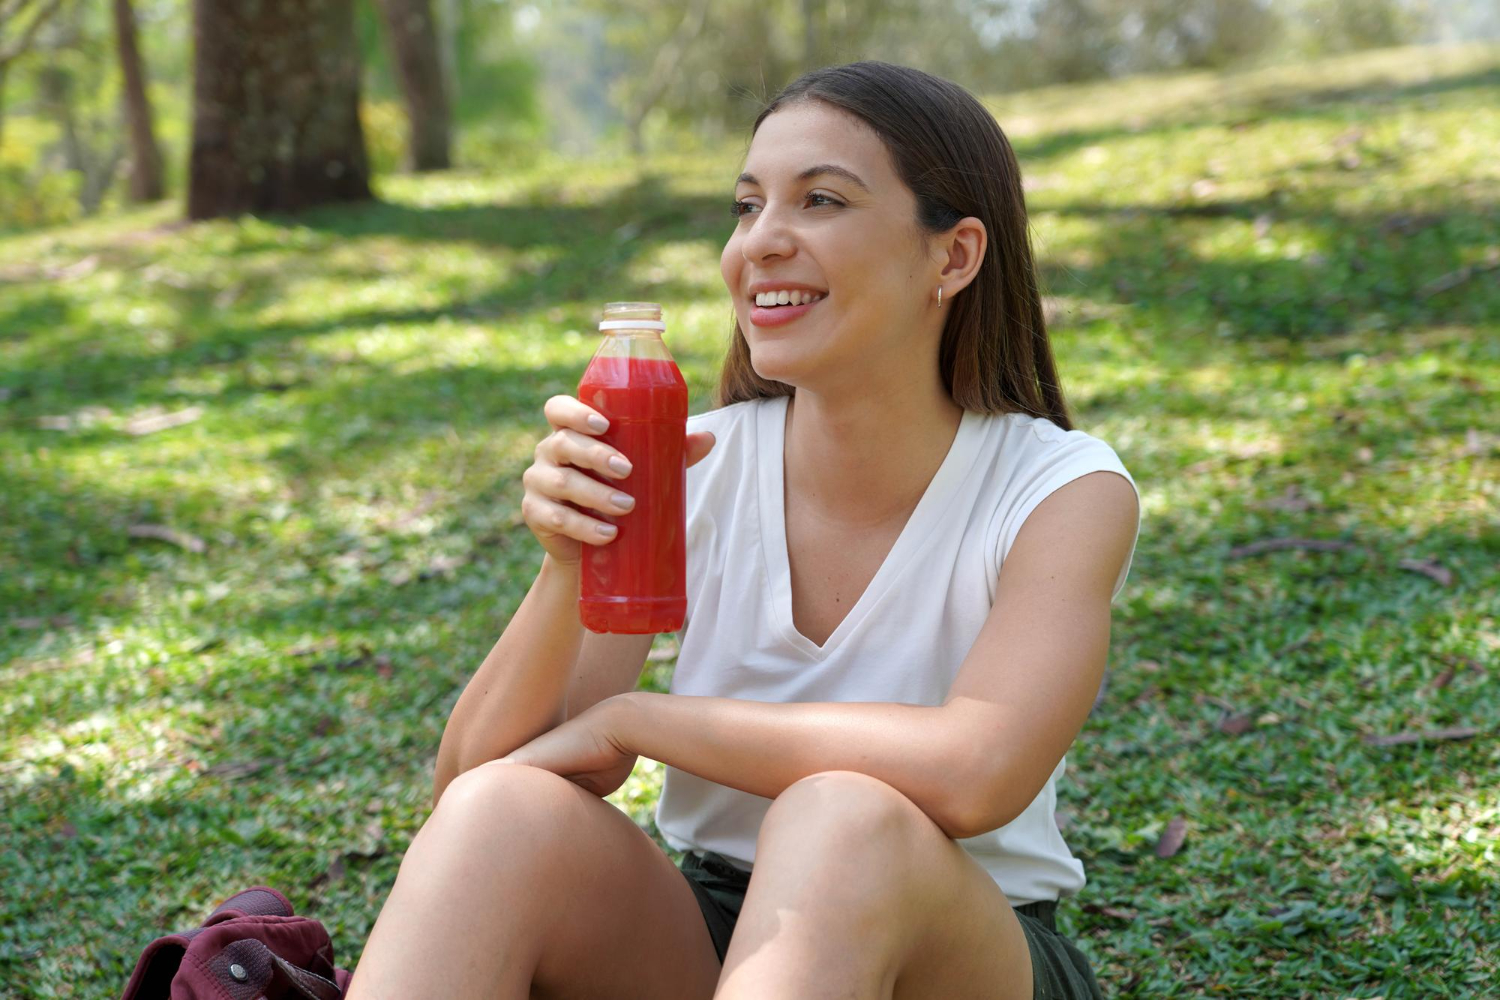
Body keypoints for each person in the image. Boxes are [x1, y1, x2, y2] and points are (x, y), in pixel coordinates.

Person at [346, 60, 1141, 1000]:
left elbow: (977, 772)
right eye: (747, 206)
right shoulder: (692, 463)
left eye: (821, 202)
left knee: (839, 817)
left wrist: (640, 719)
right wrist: (571, 566)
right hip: (717, 936)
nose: (761, 242)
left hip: (961, 947)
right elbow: (473, 791)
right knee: (501, 816)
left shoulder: (1058, 487)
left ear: (954, 257)